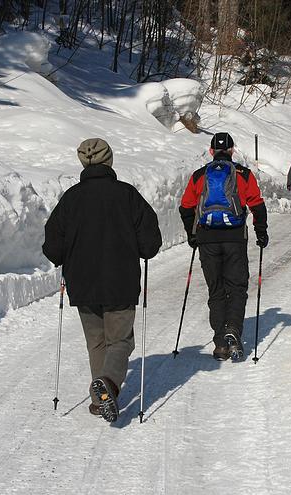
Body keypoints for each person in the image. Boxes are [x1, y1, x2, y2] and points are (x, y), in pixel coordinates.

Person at [42, 138, 162, 423]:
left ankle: (100, 401)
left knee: (96, 342)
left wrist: (65, 256)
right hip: (120, 281)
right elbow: (150, 243)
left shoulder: (70, 199)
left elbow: (52, 247)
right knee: (120, 340)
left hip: (82, 283)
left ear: (83, 162)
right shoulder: (127, 195)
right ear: (109, 160)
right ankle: (107, 382)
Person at [179, 132, 268, 361]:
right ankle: (233, 330)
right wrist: (261, 232)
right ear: (231, 150)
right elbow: (257, 205)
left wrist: (192, 234)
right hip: (235, 238)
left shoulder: (200, 175)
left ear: (211, 151)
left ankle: (220, 344)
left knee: (216, 289)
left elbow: (186, 207)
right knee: (237, 287)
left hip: (207, 240)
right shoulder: (243, 174)